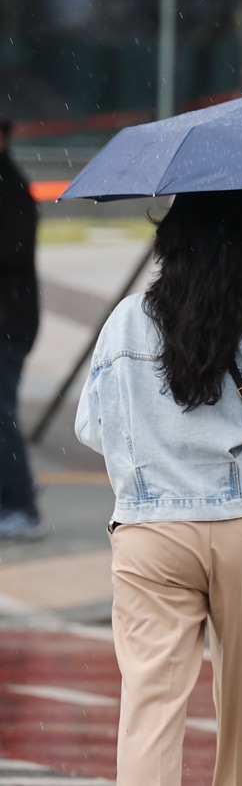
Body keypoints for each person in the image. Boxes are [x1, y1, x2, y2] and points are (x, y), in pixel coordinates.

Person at [74, 190, 242, 785]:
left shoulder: (125, 322)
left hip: (152, 535)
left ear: (172, 238)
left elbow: (92, 427)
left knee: (149, 709)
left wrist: (161, 445)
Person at [0, 119, 42, 540]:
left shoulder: (12, 189)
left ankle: (20, 504)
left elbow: (11, 254)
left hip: (9, 324)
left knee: (1, 413)